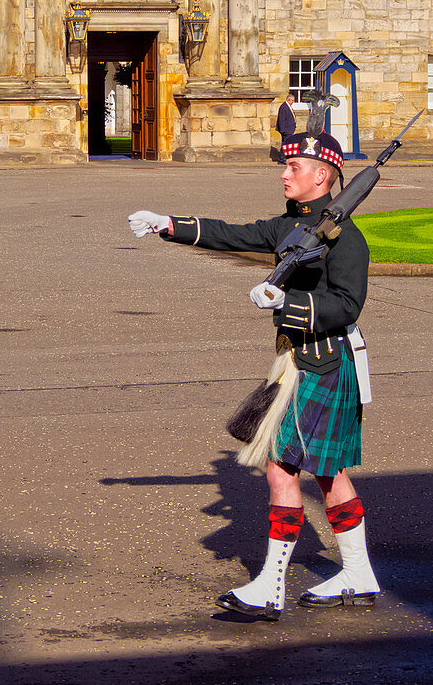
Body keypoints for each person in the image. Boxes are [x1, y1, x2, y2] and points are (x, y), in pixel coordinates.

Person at [128, 129, 380, 620]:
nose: (285, 174)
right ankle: (359, 572)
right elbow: (234, 233)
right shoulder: (294, 226)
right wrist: (167, 224)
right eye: (285, 167)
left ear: (323, 175)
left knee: (280, 466)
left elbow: (348, 304)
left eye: (294, 168)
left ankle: (270, 586)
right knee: (329, 474)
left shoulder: (347, 238)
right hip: (297, 361)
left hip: (325, 362)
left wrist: (290, 301)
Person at [275, 93, 298, 163]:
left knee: (286, 144)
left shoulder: (288, 107)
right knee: (286, 144)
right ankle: (282, 159)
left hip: (289, 129)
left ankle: (283, 159)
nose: (293, 102)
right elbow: (281, 119)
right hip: (286, 130)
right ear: (288, 100)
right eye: (292, 101)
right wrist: (282, 130)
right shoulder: (283, 107)